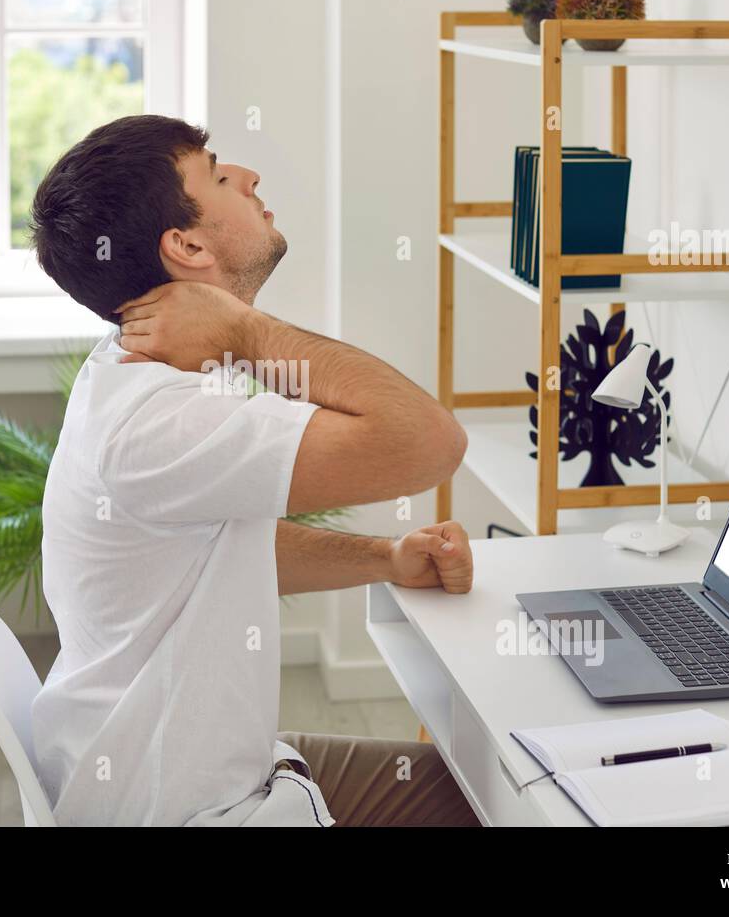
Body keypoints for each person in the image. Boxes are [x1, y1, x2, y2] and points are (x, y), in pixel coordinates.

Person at [28, 114, 478, 826]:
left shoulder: (131, 375)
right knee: (506, 800)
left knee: (479, 787)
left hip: (189, 765)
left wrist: (388, 558)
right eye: (216, 172)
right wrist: (245, 329)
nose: (250, 177)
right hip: (189, 806)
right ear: (186, 244)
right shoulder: (162, 421)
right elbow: (431, 442)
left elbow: (221, 548)